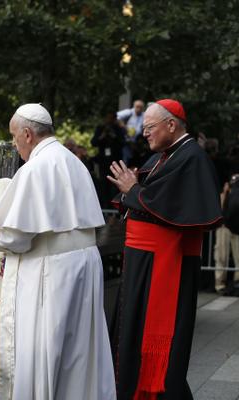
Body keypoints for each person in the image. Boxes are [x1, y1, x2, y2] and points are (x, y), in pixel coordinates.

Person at [0, 103, 115, 400]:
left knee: (46, 348)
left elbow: (17, 237)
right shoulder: (73, 161)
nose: (15, 146)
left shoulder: (36, 168)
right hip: (81, 266)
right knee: (77, 354)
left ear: (27, 134)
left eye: (15, 138)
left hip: (51, 273)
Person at [108, 99, 222, 400]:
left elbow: (169, 207)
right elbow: (148, 195)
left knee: (161, 351)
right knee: (133, 337)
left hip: (163, 266)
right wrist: (131, 190)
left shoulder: (191, 157)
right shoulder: (166, 156)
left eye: (149, 127)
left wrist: (132, 190)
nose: (144, 134)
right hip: (144, 261)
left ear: (171, 125)